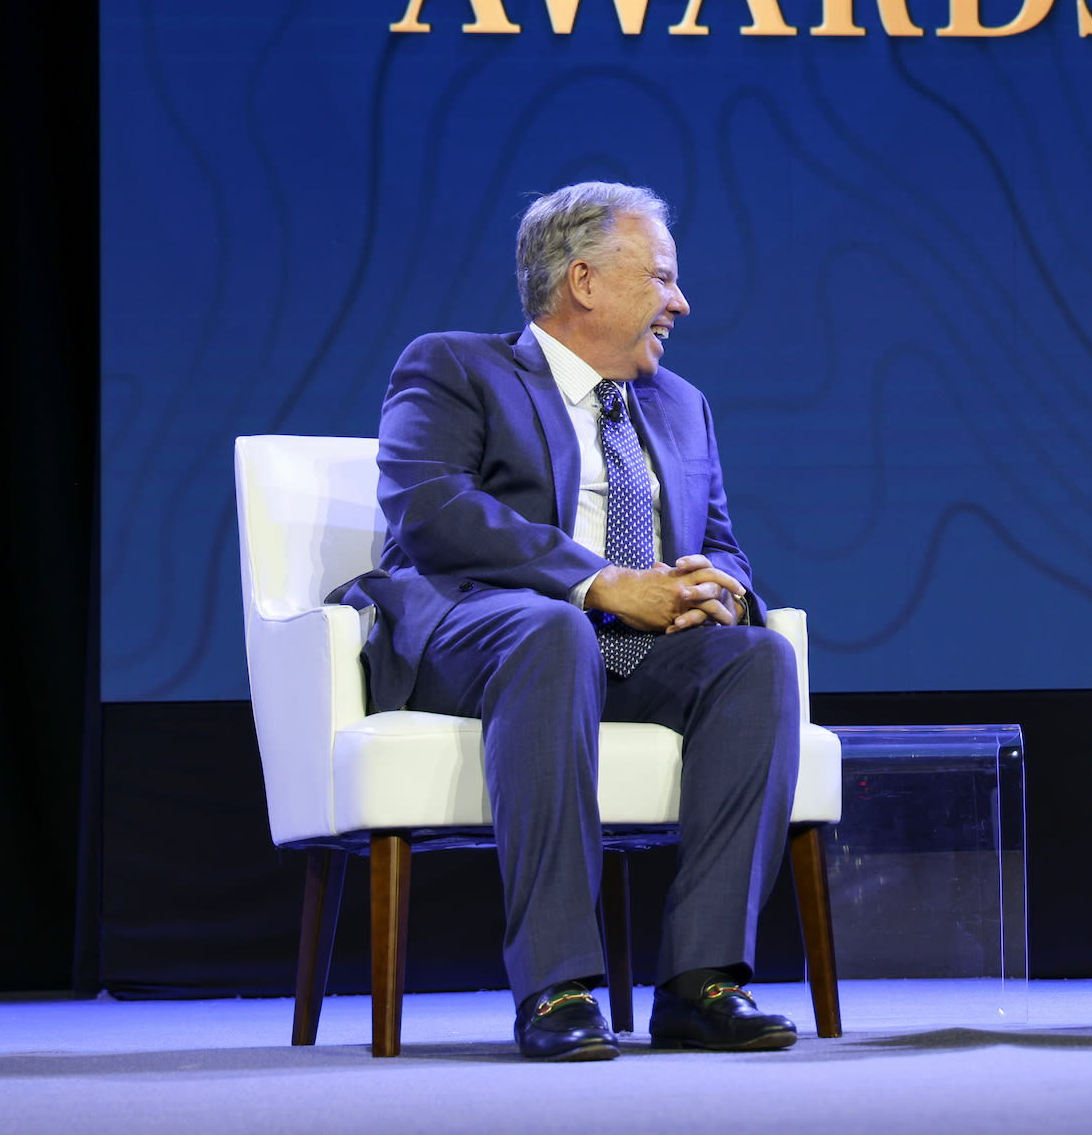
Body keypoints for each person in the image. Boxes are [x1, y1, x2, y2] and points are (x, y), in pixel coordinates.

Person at [337, 182, 802, 1062]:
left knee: (757, 659)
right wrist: (599, 584)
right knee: (551, 632)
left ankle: (702, 982)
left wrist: (723, 589)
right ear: (584, 281)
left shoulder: (682, 404)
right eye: (662, 277)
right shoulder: (454, 367)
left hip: (629, 657)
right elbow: (429, 508)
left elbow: (725, 544)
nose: (680, 302)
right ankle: (557, 988)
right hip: (481, 640)